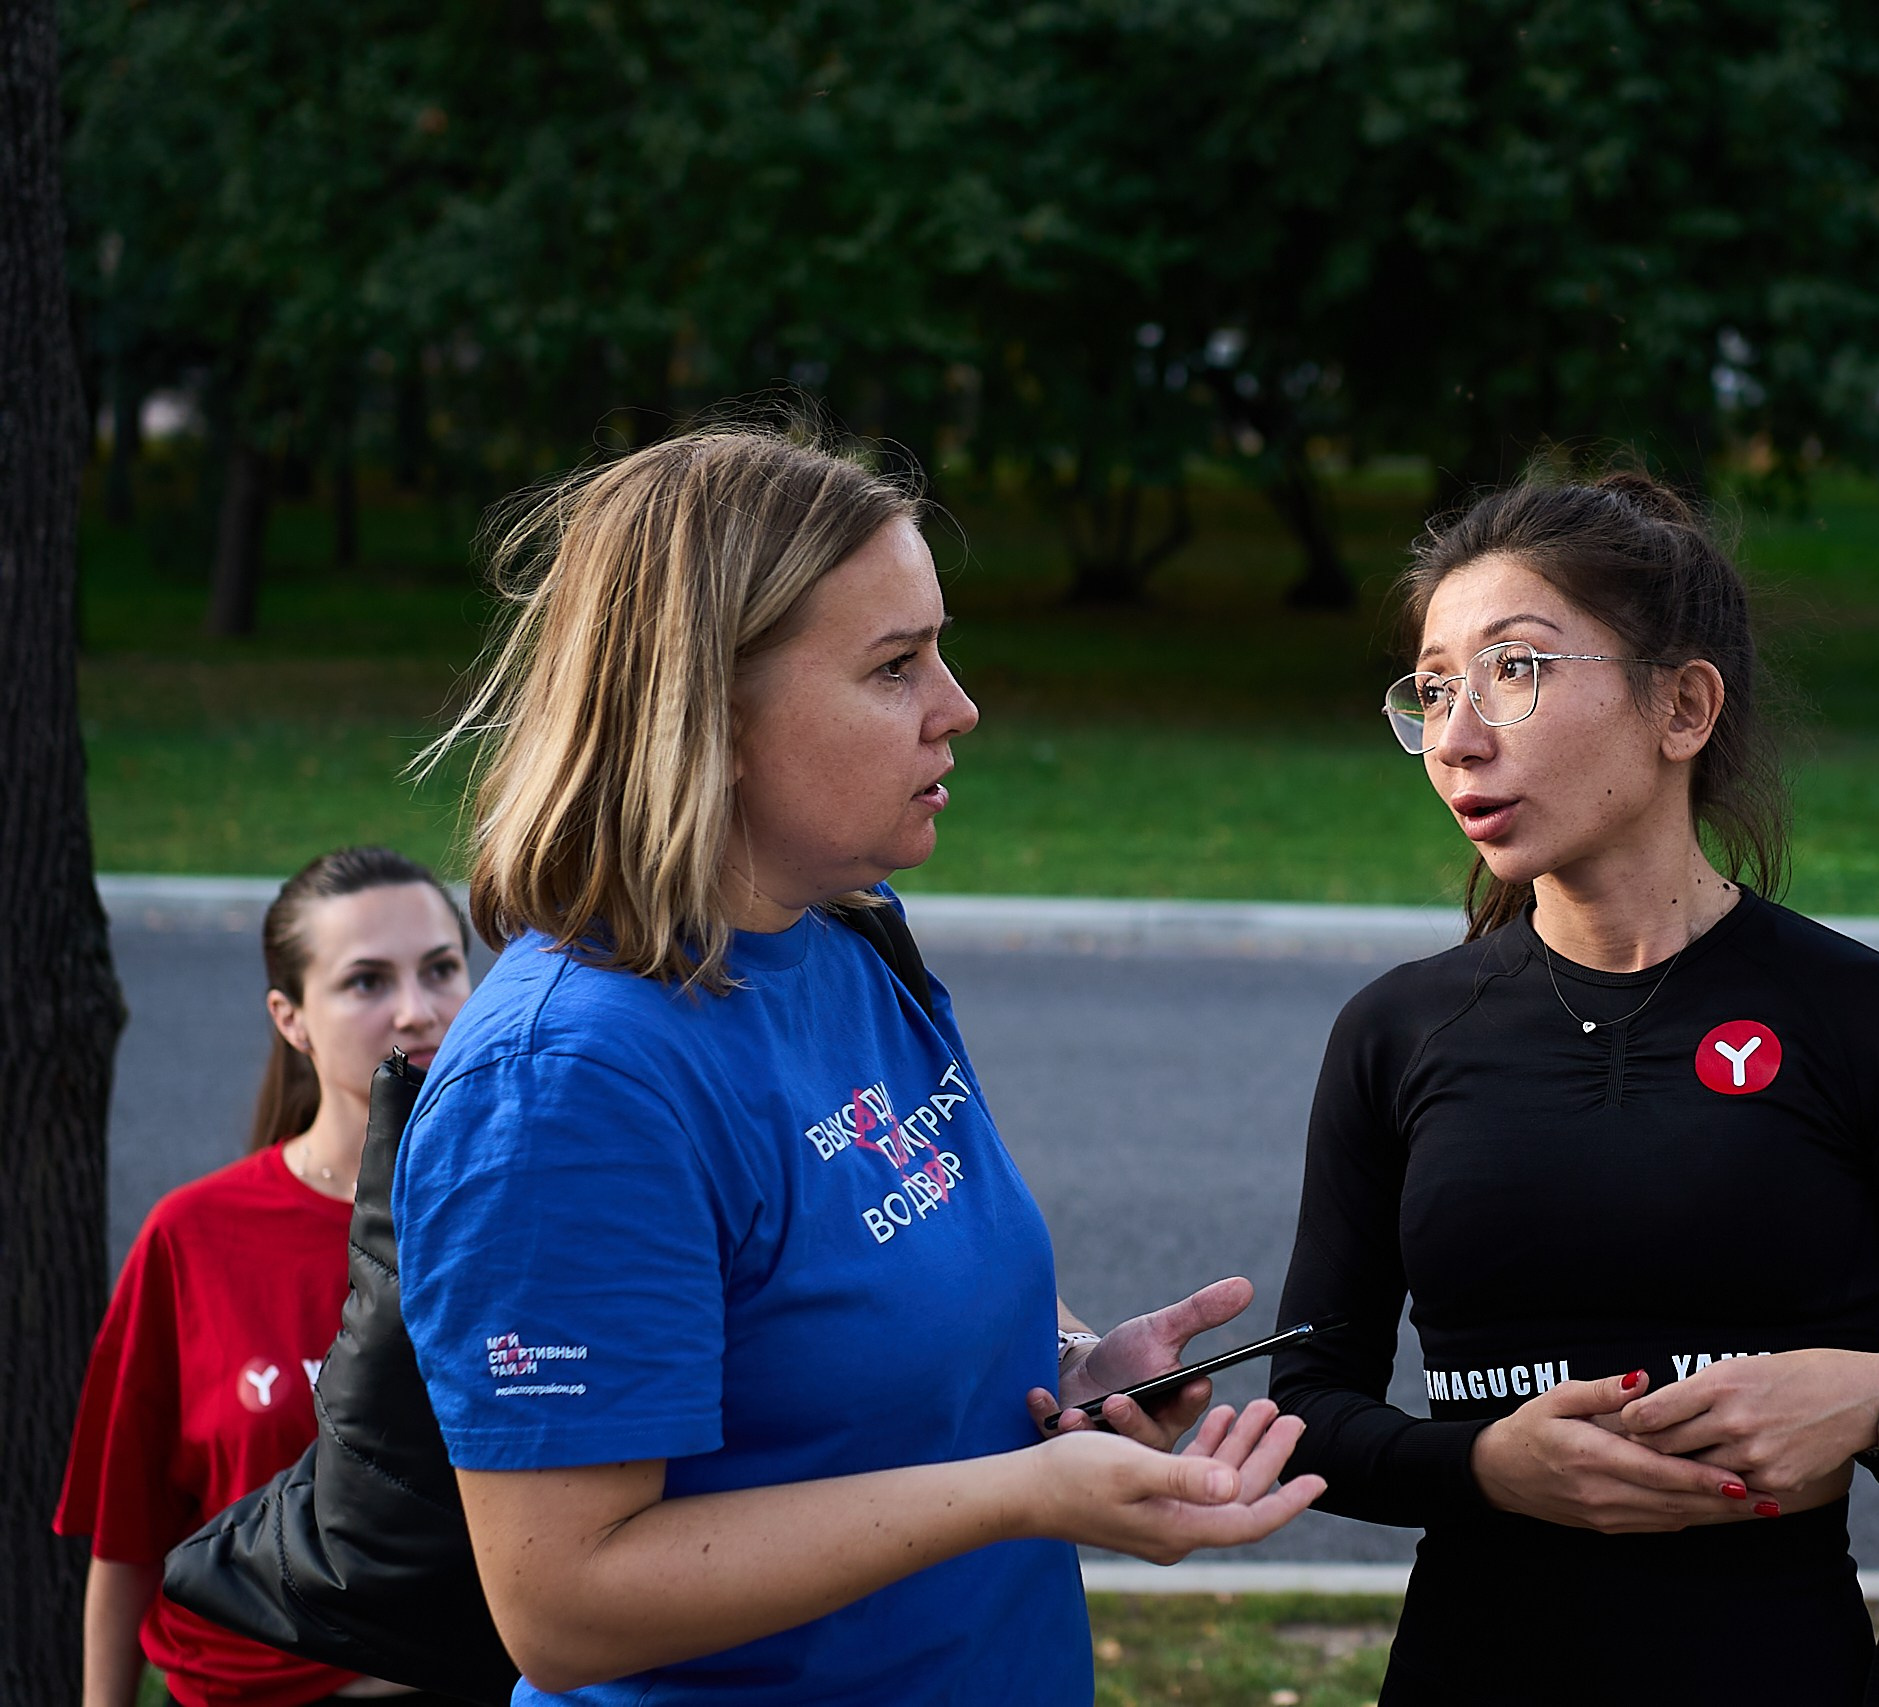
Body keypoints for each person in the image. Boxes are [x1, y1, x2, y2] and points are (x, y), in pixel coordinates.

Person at [393, 425, 1322, 1706]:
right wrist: (1019, 1494)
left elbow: (849, 1290)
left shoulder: (839, 931)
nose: (958, 707)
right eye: (894, 666)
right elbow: (562, 1605)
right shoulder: (566, 1082)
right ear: (708, 711)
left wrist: (1061, 1371)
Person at [1269, 471, 1879, 1703]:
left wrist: (1877, 1400)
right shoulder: (1397, 1031)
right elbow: (1310, 1412)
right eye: (1432, 688)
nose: (1457, 736)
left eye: (1513, 671)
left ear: (1681, 707)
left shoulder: (1878, 1027)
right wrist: (1483, 1468)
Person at [57, 846, 478, 1707]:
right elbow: (127, 1536)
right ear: (291, 1018)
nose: (418, 1010)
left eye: (441, 968)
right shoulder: (194, 1235)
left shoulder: (517, 1214)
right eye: (366, 981)